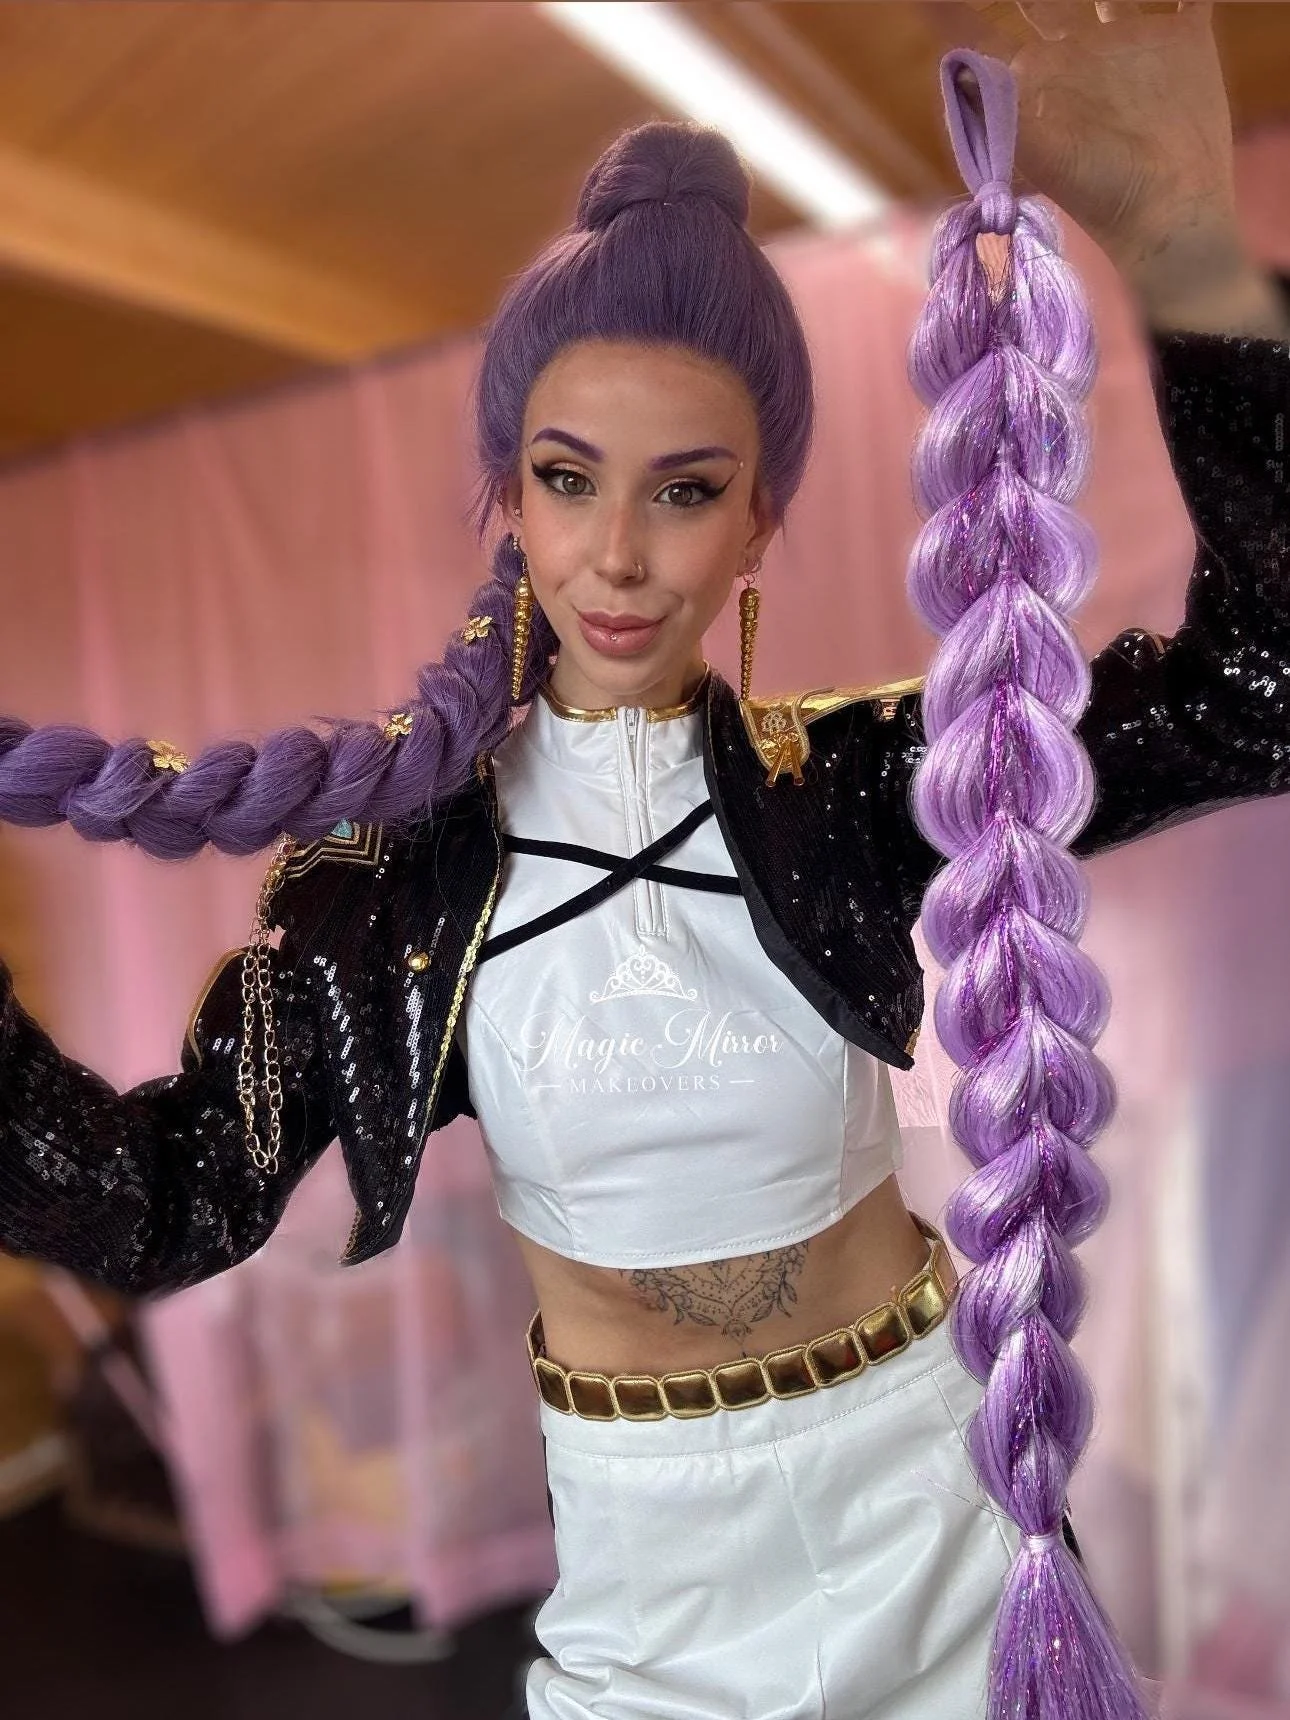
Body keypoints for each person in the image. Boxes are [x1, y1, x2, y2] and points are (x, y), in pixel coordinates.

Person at [1, 6, 1287, 1716]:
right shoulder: (392, 892)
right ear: (509, 496)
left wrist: (1188, 249)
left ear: (759, 517)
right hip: (645, 1565)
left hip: (937, 1500)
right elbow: (149, 1200)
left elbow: (1260, 689)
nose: (615, 553)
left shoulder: (869, 779)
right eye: (567, 478)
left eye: (684, 491)